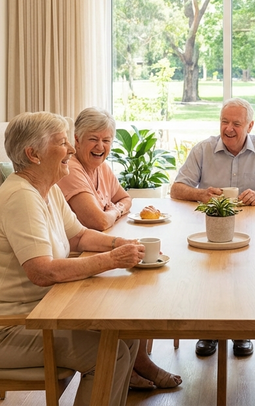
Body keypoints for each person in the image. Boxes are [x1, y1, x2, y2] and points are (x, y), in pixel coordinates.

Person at [0, 111, 143, 406]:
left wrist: (120, 243)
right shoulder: (21, 198)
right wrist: (113, 259)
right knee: (111, 352)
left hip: (33, 315)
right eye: (62, 143)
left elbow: (80, 236)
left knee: (125, 336)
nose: (71, 149)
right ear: (33, 154)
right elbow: (42, 272)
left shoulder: (48, 189)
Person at [57, 107, 182, 391]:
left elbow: (126, 199)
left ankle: (134, 366)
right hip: (77, 257)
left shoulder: (100, 167)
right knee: (131, 288)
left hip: (94, 247)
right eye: (93, 139)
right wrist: (112, 213)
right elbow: (98, 220)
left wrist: (114, 209)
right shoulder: (72, 170)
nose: (100, 147)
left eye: (106, 140)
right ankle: (138, 365)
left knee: (137, 281)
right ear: (76, 140)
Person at [171, 97, 255, 358]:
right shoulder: (203, 149)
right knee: (209, 274)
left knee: (245, 275)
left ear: (249, 126)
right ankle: (208, 330)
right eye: (224, 122)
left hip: (252, 230)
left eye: (236, 124)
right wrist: (201, 194)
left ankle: (242, 330)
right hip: (210, 226)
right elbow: (177, 188)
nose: (228, 128)